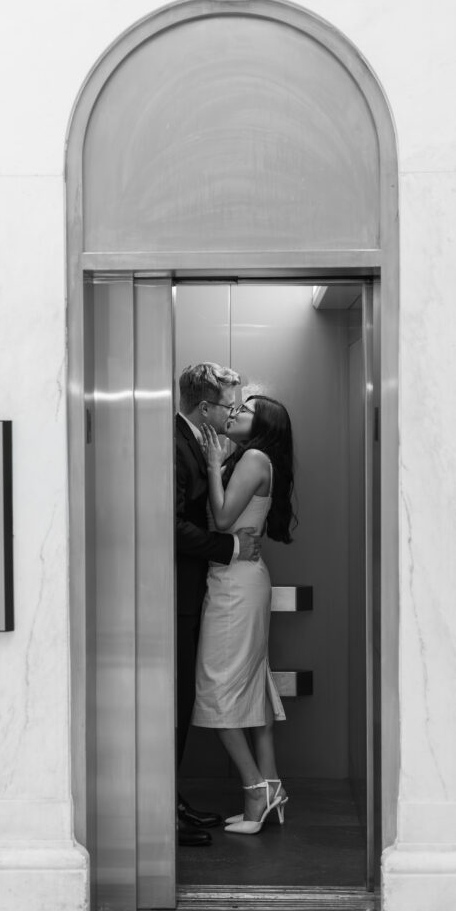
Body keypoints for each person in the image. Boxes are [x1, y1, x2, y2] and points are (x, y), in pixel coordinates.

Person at [192, 394, 296, 835]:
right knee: (249, 683)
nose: (235, 410)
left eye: (246, 409)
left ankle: (256, 789)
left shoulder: (253, 457)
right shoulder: (255, 458)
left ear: (263, 426)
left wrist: (215, 464)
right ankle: (271, 785)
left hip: (236, 584)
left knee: (219, 686)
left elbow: (221, 519)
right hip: (241, 578)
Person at [175, 363, 262, 847]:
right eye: (228, 405)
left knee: (191, 697)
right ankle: (164, 805)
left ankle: (169, 801)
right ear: (204, 408)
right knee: (184, 700)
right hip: (188, 589)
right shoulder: (176, 442)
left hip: (207, 588)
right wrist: (227, 548)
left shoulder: (215, 447)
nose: (232, 413)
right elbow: (171, 524)